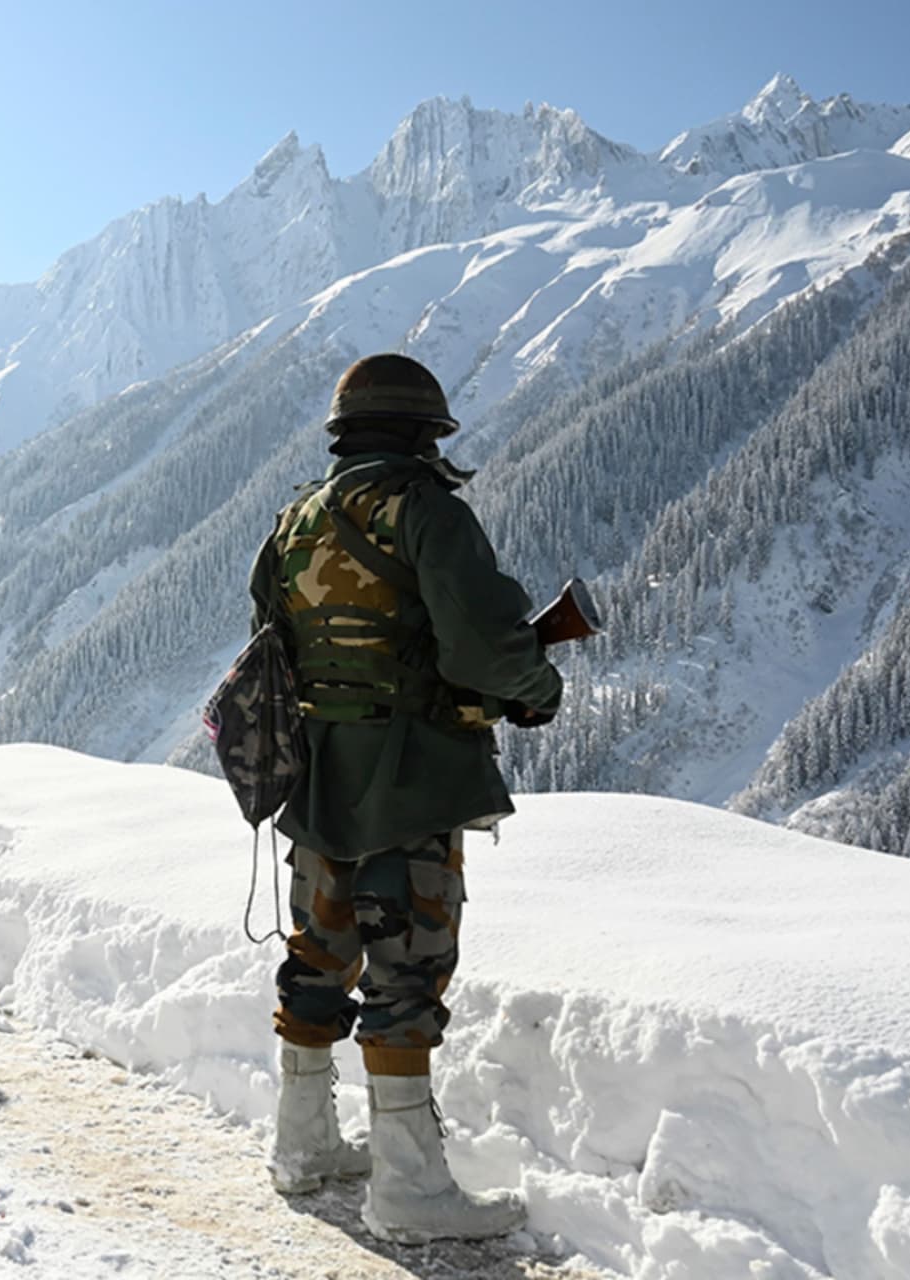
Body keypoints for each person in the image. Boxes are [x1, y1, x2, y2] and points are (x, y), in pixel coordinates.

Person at [249, 353, 561, 1244]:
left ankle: (302, 1146)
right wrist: (537, 688)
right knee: (408, 969)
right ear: (427, 434)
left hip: (316, 775)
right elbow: (482, 648)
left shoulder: (296, 518)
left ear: (344, 432)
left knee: (318, 952)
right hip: (411, 779)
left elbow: (272, 642)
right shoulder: (428, 513)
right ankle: (412, 1191)